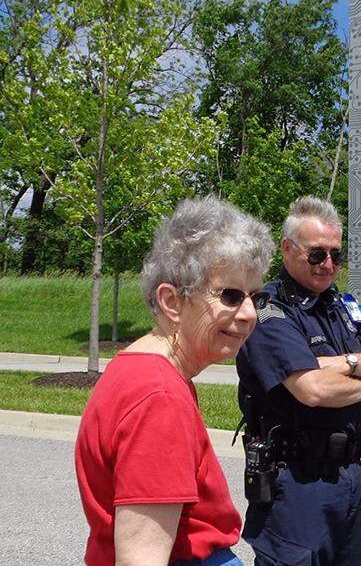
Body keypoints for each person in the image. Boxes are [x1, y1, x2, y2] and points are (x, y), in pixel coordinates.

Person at [75, 196, 275, 566]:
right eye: (230, 295)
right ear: (172, 302)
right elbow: (142, 558)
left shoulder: (142, 370)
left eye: (255, 297)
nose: (249, 313)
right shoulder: (158, 397)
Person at [236, 195, 361, 566]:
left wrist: (341, 363)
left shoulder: (343, 307)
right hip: (295, 484)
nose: (327, 264)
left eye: (335, 254)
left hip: (347, 477)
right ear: (287, 249)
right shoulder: (268, 310)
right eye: (316, 254)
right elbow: (313, 390)